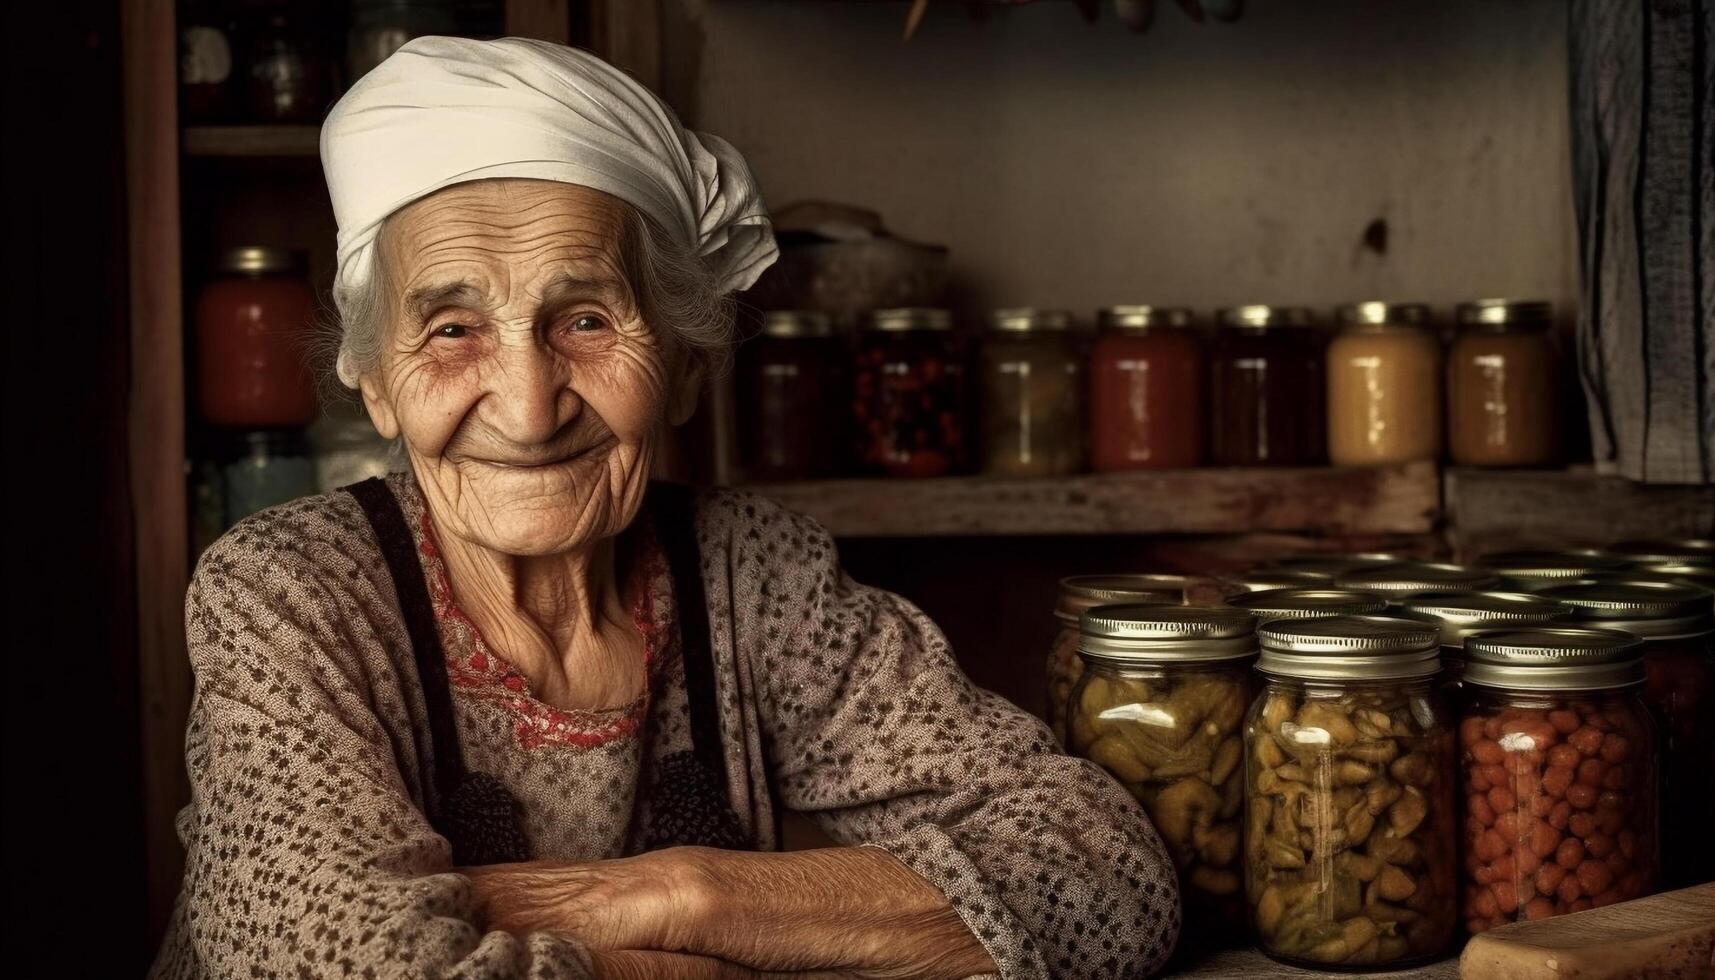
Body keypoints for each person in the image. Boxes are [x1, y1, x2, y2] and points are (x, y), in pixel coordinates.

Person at [149, 37, 1179, 980]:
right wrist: (779, 948)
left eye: (586, 318)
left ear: (685, 364)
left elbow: (1106, 880)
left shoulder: (754, 572)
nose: (527, 403)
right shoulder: (290, 592)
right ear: (375, 379)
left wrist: (673, 892)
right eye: (453, 327)